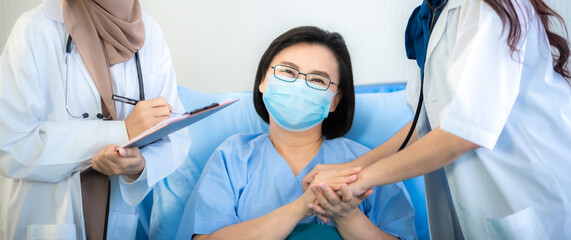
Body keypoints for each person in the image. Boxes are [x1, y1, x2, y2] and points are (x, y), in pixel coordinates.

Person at [304, 0, 571, 239]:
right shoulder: (435, 14)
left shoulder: (488, 7)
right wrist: (353, 169)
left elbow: (464, 132)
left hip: (533, 191)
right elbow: (428, 125)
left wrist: (360, 181)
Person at [175, 26, 416, 240]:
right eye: (288, 72)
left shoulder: (366, 164)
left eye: (318, 80)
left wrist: (347, 216)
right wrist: (301, 206)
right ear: (263, 81)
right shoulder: (233, 157)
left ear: (335, 100)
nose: (300, 85)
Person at [0, 0, 190, 239]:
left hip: (116, 221)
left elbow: (176, 136)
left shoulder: (150, 33)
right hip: (47, 222)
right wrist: (121, 133)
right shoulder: (34, 30)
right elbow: (10, 145)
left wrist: (140, 166)